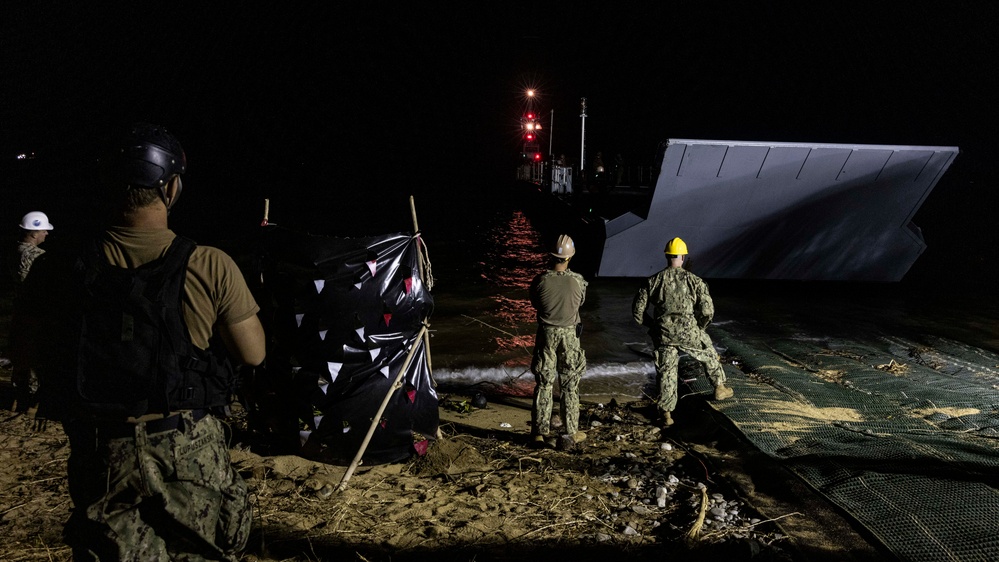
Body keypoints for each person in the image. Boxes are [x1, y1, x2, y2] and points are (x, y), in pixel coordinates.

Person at [17, 123, 266, 560]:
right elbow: (254, 353)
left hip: (100, 450)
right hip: (187, 448)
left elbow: (27, 350)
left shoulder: (56, 269)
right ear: (169, 187)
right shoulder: (209, 264)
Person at [632, 237, 733, 427]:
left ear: (666, 256)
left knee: (666, 372)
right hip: (689, 331)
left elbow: (637, 312)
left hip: (664, 334)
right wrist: (700, 327)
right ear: (683, 256)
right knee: (708, 352)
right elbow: (707, 311)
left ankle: (667, 414)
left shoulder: (653, 281)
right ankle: (719, 386)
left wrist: (653, 325)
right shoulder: (694, 281)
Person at [529, 234, 588, 448]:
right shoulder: (579, 281)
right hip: (570, 336)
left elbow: (535, 303)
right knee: (570, 384)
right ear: (570, 258)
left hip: (547, 334)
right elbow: (580, 302)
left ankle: (538, 432)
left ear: (550, 256)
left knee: (544, 383)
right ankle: (570, 431)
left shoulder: (540, 281)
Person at [12, 211, 54, 283]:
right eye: (44, 231)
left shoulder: (13, 248)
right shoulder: (38, 254)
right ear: (34, 235)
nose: (47, 233)